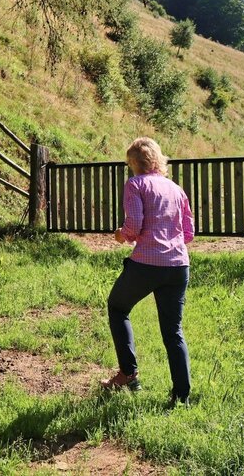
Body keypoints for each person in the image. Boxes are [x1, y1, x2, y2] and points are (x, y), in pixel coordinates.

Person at [100, 137, 194, 407]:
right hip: (178, 266)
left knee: (118, 307)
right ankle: (181, 397)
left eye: (130, 163)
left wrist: (121, 236)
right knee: (173, 331)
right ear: (158, 159)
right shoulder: (176, 190)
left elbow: (134, 226)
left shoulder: (135, 184)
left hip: (146, 264)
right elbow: (188, 233)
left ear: (135, 163)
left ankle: (128, 375)